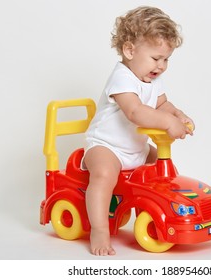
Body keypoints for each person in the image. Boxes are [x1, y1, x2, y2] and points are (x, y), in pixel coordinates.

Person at [82, 6, 195, 256]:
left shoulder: (152, 79)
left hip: (137, 149)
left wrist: (178, 115)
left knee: (164, 170)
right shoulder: (122, 78)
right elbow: (134, 112)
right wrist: (166, 123)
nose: (162, 66)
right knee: (103, 174)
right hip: (106, 146)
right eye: (156, 58)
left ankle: (163, 213)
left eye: (166, 59)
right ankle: (99, 229)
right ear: (129, 50)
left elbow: (162, 104)